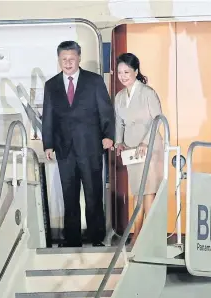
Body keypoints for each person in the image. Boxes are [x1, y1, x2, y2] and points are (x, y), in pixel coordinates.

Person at [42, 41, 115, 247]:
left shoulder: (94, 81)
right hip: (65, 149)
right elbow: (48, 117)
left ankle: (96, 237)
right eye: (64, 59)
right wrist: (48, 144)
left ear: (79, 58)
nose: (68, 63)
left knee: (93, 194)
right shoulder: (51, 85)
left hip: (90, 147)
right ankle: (72, 238)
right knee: (69, 195)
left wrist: (108, 134)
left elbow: (106, 111)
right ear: (59, 60)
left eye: (71, 59)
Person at [114, 53, 164, 246]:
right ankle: (138, 231)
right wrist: (119, 141)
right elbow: (119, 122)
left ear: (136, 71)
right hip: (132, 149)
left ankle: (144, 234)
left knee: (148, 190)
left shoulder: (147, 92)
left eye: (127, 72)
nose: (123, 76)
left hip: (149, 146)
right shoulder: (119, 97)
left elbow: (158, 119)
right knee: (137, 191)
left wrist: (145, 142)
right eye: (120, 72)